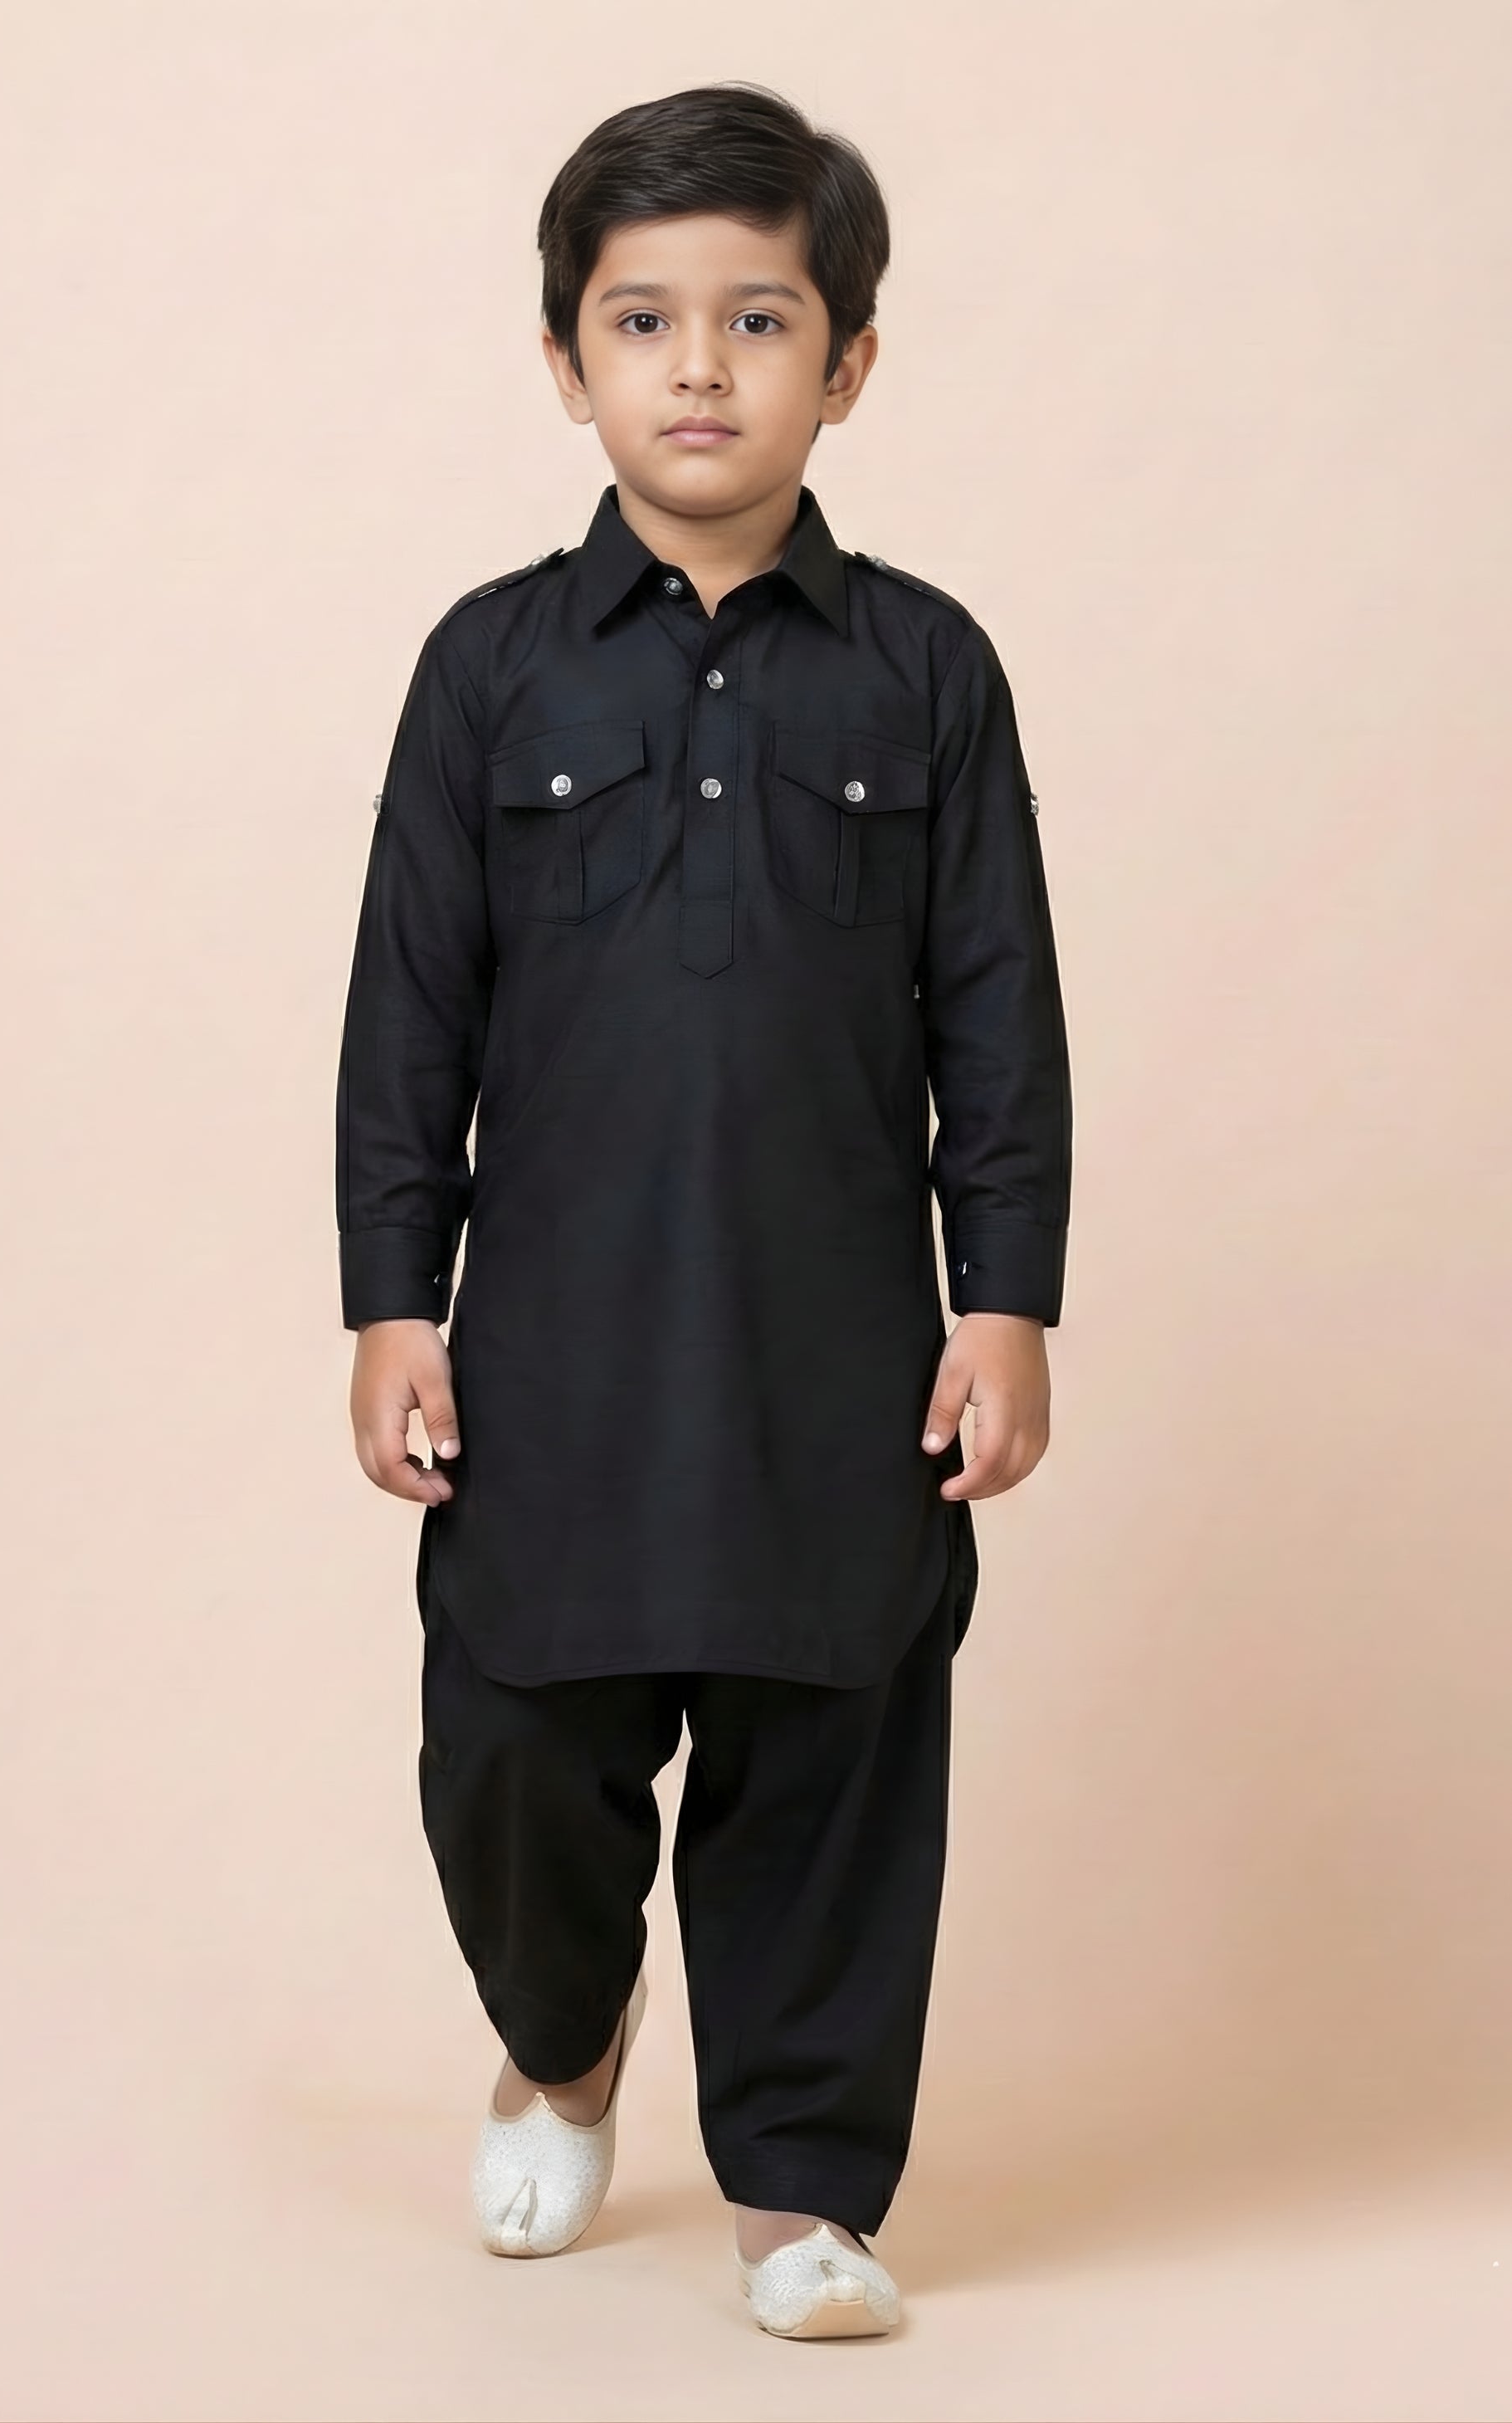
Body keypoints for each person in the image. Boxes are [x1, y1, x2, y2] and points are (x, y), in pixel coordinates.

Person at [334, 81, 1072, 2339]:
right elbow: (409, 1004)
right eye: (641, 319)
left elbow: (998, 1005)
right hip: (551, 1348)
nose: (698, 367)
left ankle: (804, 2192)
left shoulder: (927, 666)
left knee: (834, 1752)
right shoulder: (491, 664)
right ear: (567, 360)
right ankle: (561, 2050)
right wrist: (392, 1300)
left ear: (846, 363)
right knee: (514, 1747)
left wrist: (1005, 1300)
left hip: (834, 1349)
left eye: (759, 319)